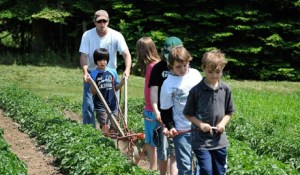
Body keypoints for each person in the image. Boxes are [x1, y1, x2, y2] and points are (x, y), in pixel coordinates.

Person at [183, 49, 235, 175]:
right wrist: (200, 124)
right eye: (210, 72)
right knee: (206, 170)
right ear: (203, 68)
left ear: (222, 69)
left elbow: (229, 112)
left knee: (220, 170)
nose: (213, 75)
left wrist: (222, 124)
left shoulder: (225, 89)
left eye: (217, 72)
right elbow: (188, 113)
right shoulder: (196, 91)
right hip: (201, 141)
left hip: (219, 140)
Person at [79, 9, 131, 128]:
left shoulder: (116, 35)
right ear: (94, 22)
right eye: (99, 21)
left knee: (113, 106)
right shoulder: (87, 35)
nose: (102, 24)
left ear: (108, 21)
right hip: (92, 74)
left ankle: (113, 133)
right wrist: (85, 72)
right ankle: (88, 133)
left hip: (110, 75)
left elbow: (126, 54)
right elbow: (84, 56)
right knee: (88, 105)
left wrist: (127, 69)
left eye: (104, 21)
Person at [160, 46, 202, 175]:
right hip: (181, 129)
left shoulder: (195, 74)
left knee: (203, 162)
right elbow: (165, 109)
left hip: (200, 127)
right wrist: (170, 126)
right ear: (171, 65)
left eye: (185, 65)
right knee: (184, 165)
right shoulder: (168, 83)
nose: (183, 69)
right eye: (178, 67)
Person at [149, 36, 183, 175]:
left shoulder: (185, 68)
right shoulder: (158, 68)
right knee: (163, 151)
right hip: (164, 114)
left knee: (176, 151)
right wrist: (156, 110)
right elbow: (153, 91)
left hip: (181, 115)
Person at [136, 37, 161, 170]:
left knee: (151, 142)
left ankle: (153, 168)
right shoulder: (158, 64)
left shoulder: (151, 66)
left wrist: (148, 107)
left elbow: (153, 89)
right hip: (157, 108)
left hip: (152, 109)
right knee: (160, 141)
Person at [89, 48, 125, 135]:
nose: (103, 62)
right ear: (96, 61)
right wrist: (91, 83)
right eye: (100, 60)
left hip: (112, 103)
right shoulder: (93, 74)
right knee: (104, 125)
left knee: (114, 126)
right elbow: (93, 92)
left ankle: (113, 143)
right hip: (100, 104)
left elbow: (115, 88)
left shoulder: (112, 72)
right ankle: (105, 140)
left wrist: (121, 83)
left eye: (105, 60)